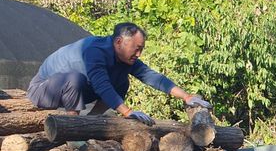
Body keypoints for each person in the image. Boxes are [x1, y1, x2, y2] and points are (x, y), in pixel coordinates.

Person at [27, 22, 209, 124]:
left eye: (141, 50)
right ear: (119, 42)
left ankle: (92, 121)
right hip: (43, 91)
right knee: (76, 79)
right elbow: (101, 86)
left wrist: (186, 96)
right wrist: (127, 111)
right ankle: (73, 127)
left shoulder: (125, 58)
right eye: (136, 49)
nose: (139, 54)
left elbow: (152, 76)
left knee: (122, 82)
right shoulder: (93, 50)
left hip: (77, 91)